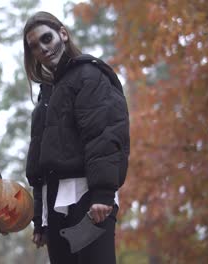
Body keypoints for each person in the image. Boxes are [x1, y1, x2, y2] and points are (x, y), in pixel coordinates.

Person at [24, 11, 130, 263]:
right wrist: (40, 219)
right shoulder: (45, 97)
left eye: (46, 38)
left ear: (62, 33)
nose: (43, 48)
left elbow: (104, 133)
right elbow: (40, 163)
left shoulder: (89, 75)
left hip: (89, 199)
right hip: (55, 205)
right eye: (35, 46)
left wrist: (103, 193)